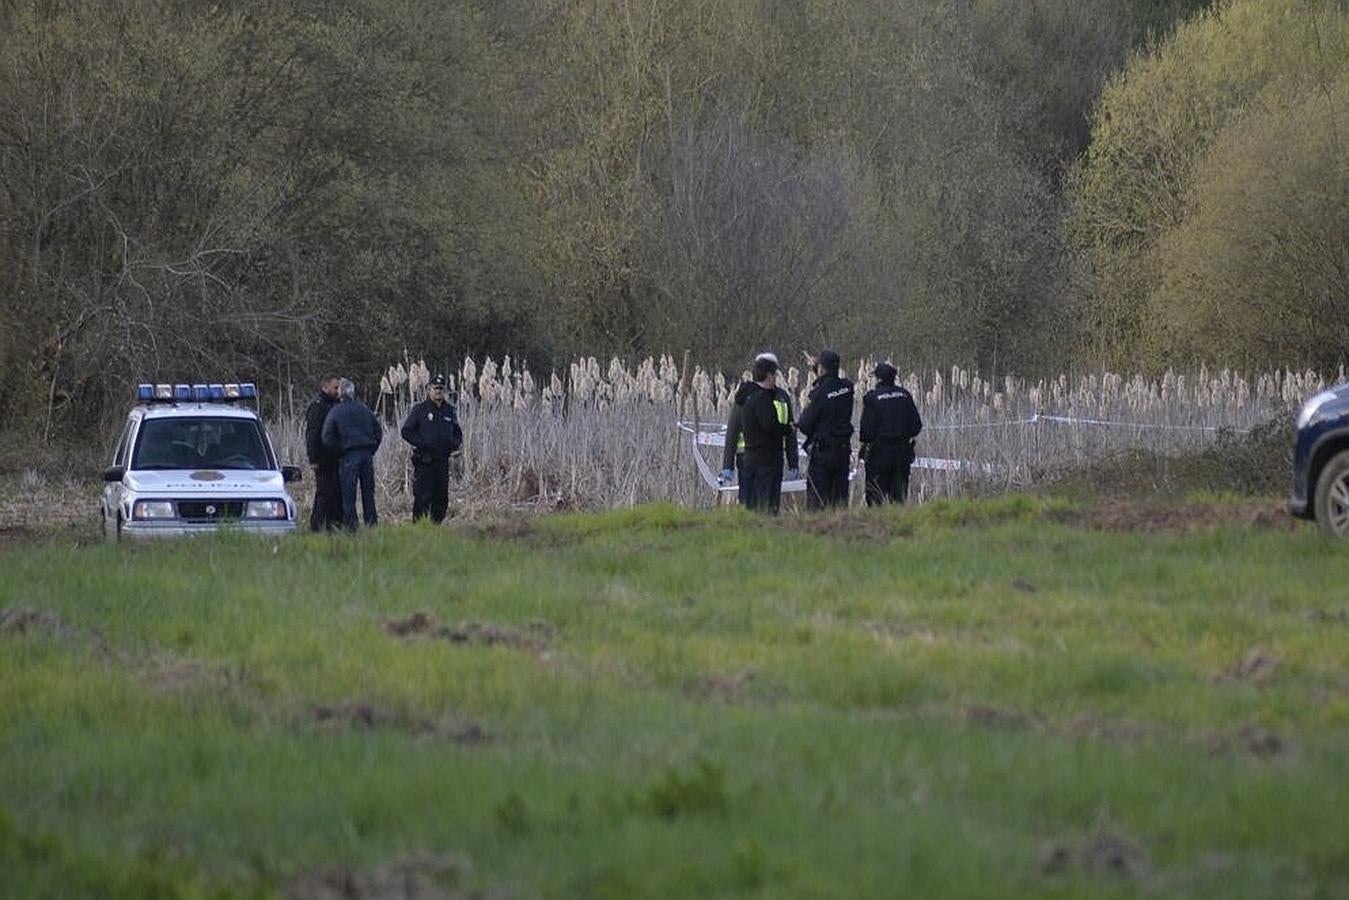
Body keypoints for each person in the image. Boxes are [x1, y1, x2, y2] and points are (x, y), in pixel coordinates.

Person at [721, 352, 799, 503]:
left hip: (774, 457)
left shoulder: (782, 397)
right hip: (746, 458)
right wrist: (727, 464)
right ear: (769, 374)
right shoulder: (746, 396)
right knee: (752, 504)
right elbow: (733, 430)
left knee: (768, 504)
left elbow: (789, 432)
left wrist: (793, 462)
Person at [400, 373, 463, 523]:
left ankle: (436, 527)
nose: (438, 391)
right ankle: (419, 529)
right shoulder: (420, 410)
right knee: (423, 497)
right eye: (435, 388)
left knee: (441, 498)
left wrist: (453, 444)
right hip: (425, 461)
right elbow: (406, 431)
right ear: (429, 389)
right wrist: (422, 443)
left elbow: (457, 432)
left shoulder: (450, 410)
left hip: (442, 461)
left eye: (441, 388)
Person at [797, 348, 855, 510]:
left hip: (823, 454)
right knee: (839, 501)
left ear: (821, 368)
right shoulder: (847, 388)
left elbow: (805, 425)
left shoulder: (819, 393)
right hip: (843, 452)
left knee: (817, 502)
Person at [321, 378, 383, 530]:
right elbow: (378, 432)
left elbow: (326, 437)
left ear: (341, 394)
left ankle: (351, 528)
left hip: (348, 456)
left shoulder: (335, 411)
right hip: (367, 455)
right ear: (353, 393)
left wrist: (339, 451)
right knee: (368, 495)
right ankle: (371, 525)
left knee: (349, 496)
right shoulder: (364, 409)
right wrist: (371, 449)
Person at [859, 362, 923, 505]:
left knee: (876, 501)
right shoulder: (905, 395)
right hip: (902, 454)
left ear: (879, 379)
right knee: (899, 500)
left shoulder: (872, 398)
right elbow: (916, 426)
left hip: (879, 456)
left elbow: (866, 432)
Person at [304, 374, 343, 531]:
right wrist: (313, 458)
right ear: (325, 387)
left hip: (337, 458)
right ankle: (317, 525)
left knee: (337, 493)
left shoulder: (338, 405)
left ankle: (335, 524)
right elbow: (312, 434)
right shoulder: (318, 407)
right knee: (324, 494)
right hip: (323, 459)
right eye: (335, 387)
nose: (337, 391)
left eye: (339, 388)